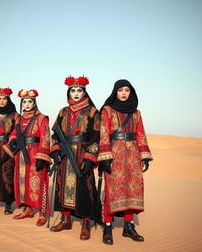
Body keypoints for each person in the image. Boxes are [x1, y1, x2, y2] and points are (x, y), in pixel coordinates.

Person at [98, 79, 153, 245]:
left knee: (132, 190)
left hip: (133, 155)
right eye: (120, 90)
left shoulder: (136, 113)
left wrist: (144, 155)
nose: (123, 93)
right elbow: (104, 133)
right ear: (115, 91)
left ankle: (129, 227)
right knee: (112, 190)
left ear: (131, 93)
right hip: (114, 154)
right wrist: (105, 157)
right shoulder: (107, 110)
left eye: (127, 90)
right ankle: (107, 226)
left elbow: (140, 133)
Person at [49, 76, 101, 240]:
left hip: (82, 154)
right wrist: (55, 149)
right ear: (69, 92)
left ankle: (86, 223)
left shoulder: (93, 111)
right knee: (63, 186)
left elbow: (97, 136)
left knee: (85, 187)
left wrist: (89, 157)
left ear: (84, 92)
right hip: (65, 155)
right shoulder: (62, 111)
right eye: (73, 90)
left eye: (79, 90)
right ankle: (66, 219)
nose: (76, 93)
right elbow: (55, 133)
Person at [3, 89, 51, 226]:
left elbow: (45, 137)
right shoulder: (19, 119)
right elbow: (14, 133)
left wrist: (42, 157)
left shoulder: (42, 118)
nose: (27, 104)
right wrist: (12, 140)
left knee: (39, 183)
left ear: (34, 103)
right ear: (22, 103)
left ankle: (42, 213)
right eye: (25, 101)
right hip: (21, 155)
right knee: (23, 182)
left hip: (36, 153)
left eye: (30, 101)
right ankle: (28, 209)